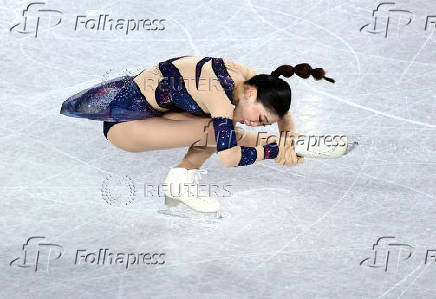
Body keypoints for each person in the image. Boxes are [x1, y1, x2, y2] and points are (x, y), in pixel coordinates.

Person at [60, 55, 335, 214]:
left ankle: (299, 145)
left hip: (157, 115)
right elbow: (230, 159)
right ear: (251, 94)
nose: (257, 123)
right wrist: (276, 151)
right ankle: (179, 182)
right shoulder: (220, 98)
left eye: (264, 124)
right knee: (217, 131)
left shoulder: (251, 80)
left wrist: (289, 135)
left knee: (221, 127)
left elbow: (282, 113)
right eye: (260, 119)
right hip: (124, 127)